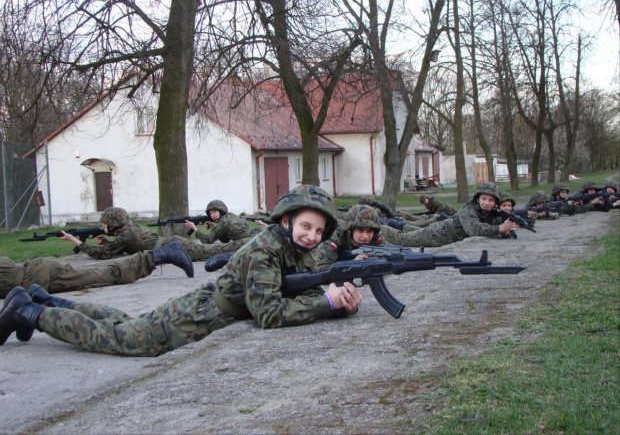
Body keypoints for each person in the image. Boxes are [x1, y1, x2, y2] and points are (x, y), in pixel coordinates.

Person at [0, 185, 362, 355]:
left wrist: (339, 297)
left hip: (206, 307)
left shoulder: (295, 247)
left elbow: (302, 289)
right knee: (122, 339)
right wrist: (324, 305)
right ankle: (30, 312)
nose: (312, 236)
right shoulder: (267, 249)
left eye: (319, 231)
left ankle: (43, 299)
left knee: (126, 323)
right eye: (306, 226)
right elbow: (267, 314)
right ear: (286, 220)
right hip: (202, 314)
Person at [0, 242, 194, 299]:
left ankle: (160, 255)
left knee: (108, 274)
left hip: (40, 278)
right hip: (39, 277)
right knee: (105, 272)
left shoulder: (126, 232)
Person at [60, 207, 249, 262]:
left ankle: (248, 244)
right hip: (171, 243)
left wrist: (75, 241)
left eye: (105, 224)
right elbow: (118, 247)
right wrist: (107, 241)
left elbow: (102, 255)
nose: (102, 226)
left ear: (115, 224)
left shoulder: (125, 235)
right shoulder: (128, 229)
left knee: (215, 250)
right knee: (212, 249)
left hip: (172, 247)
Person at [379, 182, 516, 247]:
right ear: (478, 198)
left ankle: (394, 223)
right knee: (404, 239)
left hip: (444, 233)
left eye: (491, 200)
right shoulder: (469, 209)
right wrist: (499, 229)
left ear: (495, 202)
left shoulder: (490, 212)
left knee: (414, 230)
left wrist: (505, 231)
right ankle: (377, 228)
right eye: (484, 199)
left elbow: (495, 227)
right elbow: (474, 229)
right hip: (438, 234)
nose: (487, 203)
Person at [313, 204, 385, 270]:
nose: (365, 236)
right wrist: (351, 264)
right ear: (349, 230)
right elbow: (320, 267)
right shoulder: (334, 236)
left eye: (369, 231)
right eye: (360, 230)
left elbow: (388, 254)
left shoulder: (376, 237)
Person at [184, 200, 254, 244]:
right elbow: (225, 240)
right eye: (210, 213)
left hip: (249, 242)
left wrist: (194, 227)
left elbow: (207, 241)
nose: (212, 215)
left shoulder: (223, 222)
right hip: (252, 238)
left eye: (214, 212)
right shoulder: (230, 215)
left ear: (221, 211)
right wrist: (213, 227)